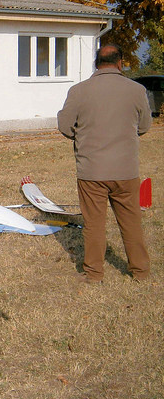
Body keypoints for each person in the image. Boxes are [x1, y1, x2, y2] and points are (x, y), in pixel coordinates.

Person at [57, 44, 152, 283]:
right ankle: (140, 272)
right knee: (131, 223)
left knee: (94, 225)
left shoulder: (79, 90)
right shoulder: (137, 90)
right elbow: (144, 126)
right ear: (120, 63)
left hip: (91, 171)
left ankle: (94, 274)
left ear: (96, 64)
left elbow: (65, 126)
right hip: (126, 170)